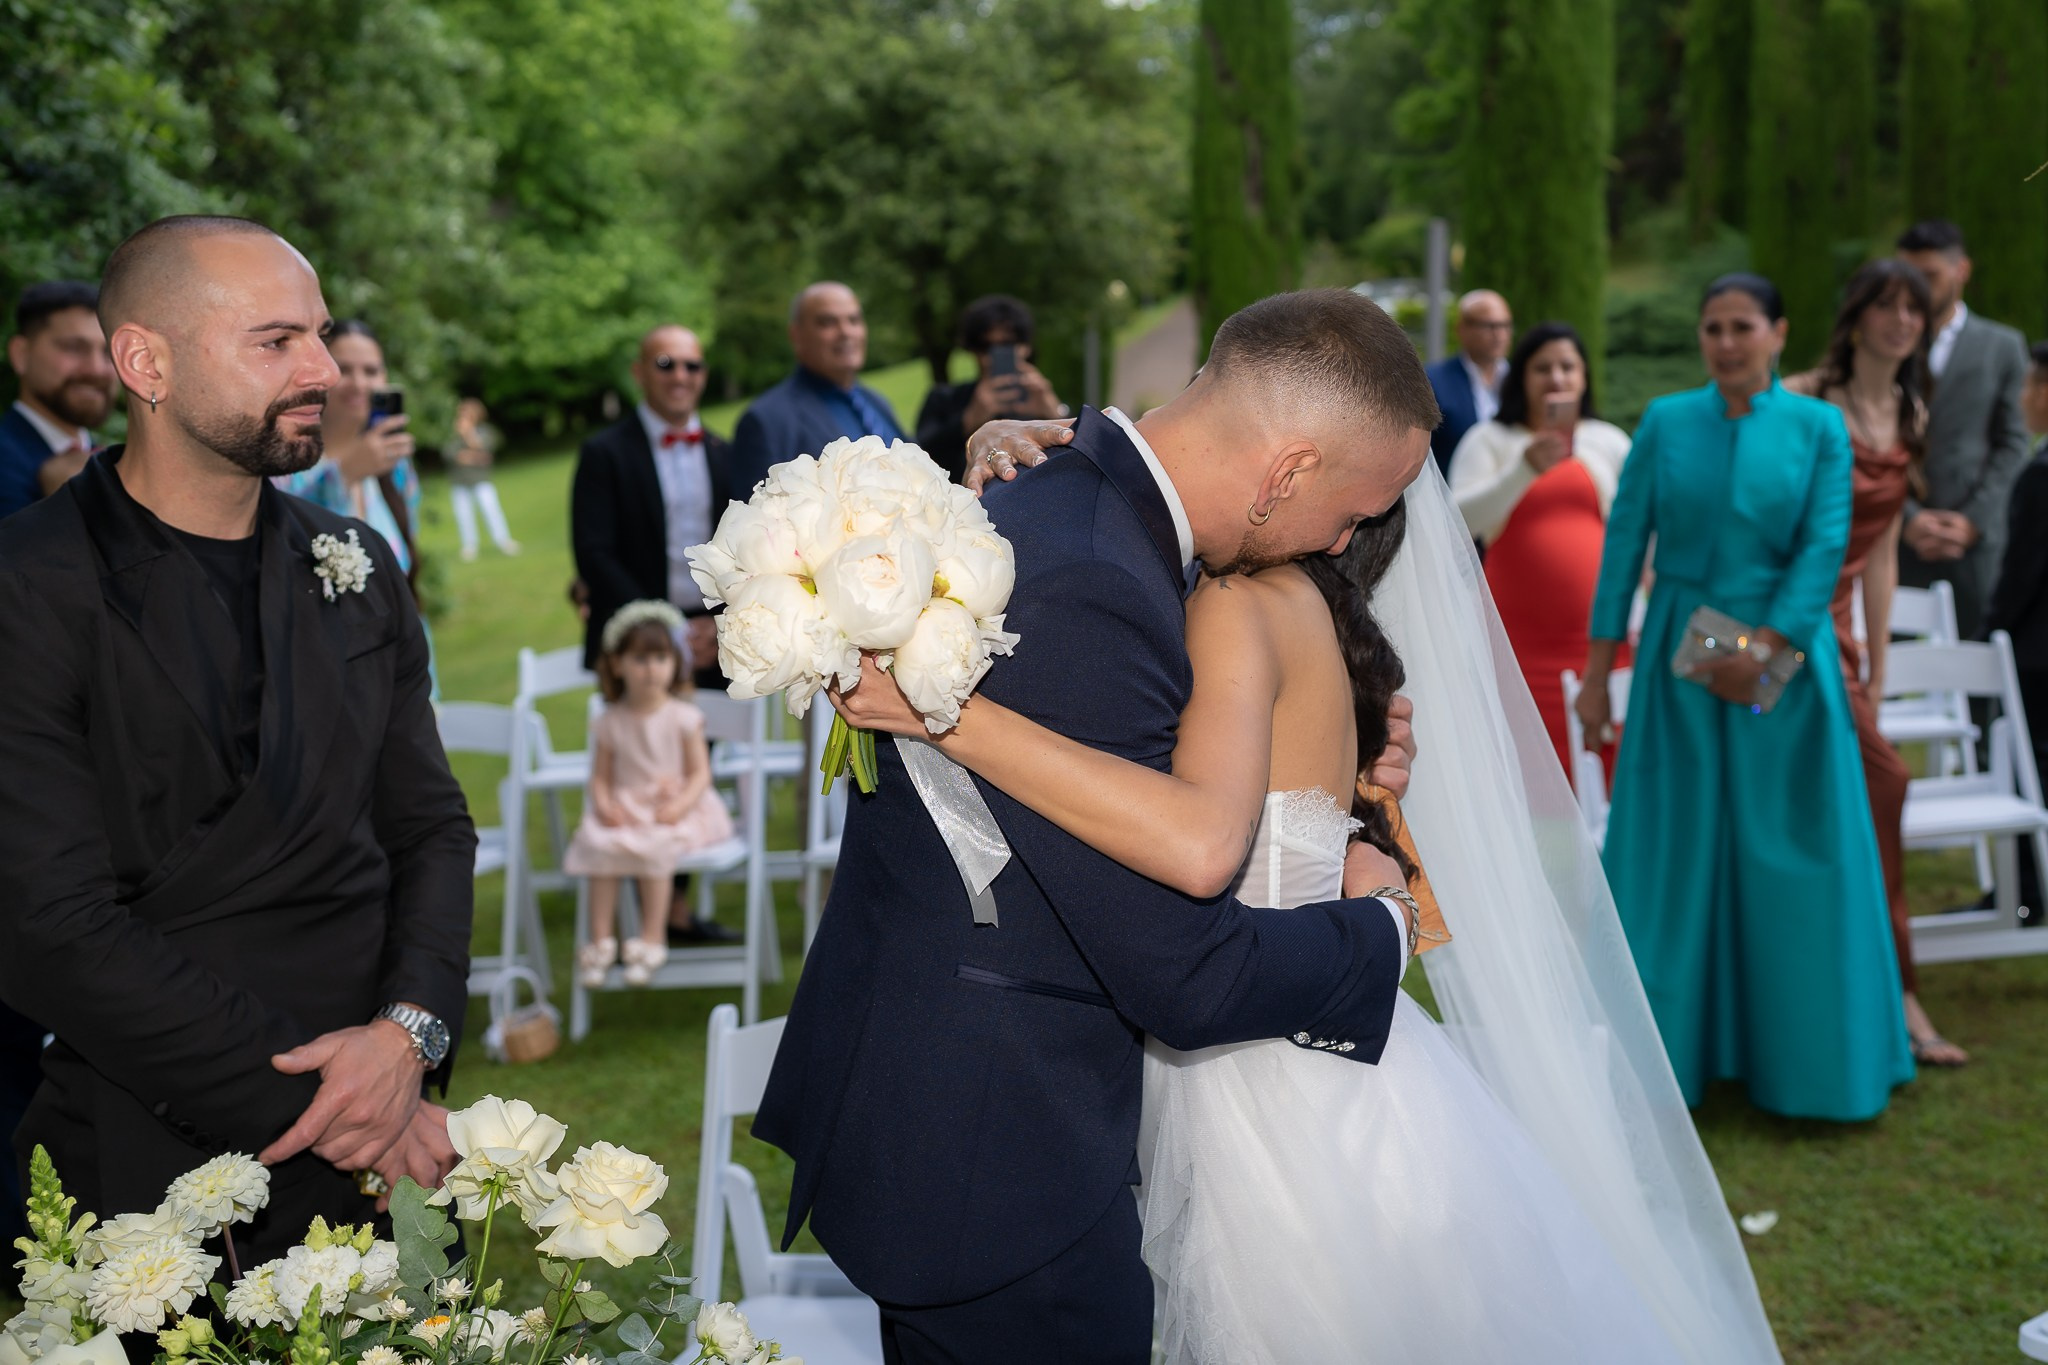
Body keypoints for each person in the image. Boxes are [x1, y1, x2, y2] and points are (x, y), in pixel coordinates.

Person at [832, 419, 1782, 1362]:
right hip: (1356, 1056)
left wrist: (940, 712)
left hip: (1248, 1065)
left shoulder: (1231, 608)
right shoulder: (1327, 631)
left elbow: (1194, 824)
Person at [0, 216, 472, 1261]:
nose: (322, 370)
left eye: (320, 333)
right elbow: (48, 924)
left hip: (384, 1143)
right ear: (145, 362)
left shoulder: (357, 561)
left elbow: (431, 828)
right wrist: (350, 1107)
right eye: (276, 341)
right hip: (153, 1158)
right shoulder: (29, 588)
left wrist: (409, 1036)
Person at [1576, 272, 1915, 1122]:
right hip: (1676, 659)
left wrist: (1766, 647)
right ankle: (1669, 1060)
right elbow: (1624, 544)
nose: (1725, 342)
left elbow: (1825, 542)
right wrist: (1593, 670)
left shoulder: (1820, 427)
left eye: (1741, 327)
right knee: (1675, 850)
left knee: (1791, 852)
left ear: (1778, 333)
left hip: (1787, 657)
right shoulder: (1664, 421)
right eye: (1712, 328)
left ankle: (1809, 1066)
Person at [1785, 259, 1966, 1068]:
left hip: (1840, 637)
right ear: (1856, 316)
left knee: (1874, 785)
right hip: (1770, 627)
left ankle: (1895, 993)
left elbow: (1886, 551)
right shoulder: (1800, 397)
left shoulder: (1912, 410)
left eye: (1914, 311)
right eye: (1885, 306)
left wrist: (1880, 660)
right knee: (1777, 795)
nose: (1900, 321)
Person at [1448, 321, 1633, 770]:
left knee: (1605, 755)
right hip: (1516, 640)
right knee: (1522, 759)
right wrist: (1522, 471)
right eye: (1542, 367)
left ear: (1584, 376)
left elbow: (1637, 530)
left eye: (1567, 366)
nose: (1556, 377)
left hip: (1598, 638)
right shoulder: (1489, 440)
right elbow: (1457, 521)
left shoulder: (1608, 442)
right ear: (1521, 378)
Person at [566, 601, 734, 989]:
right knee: (597, 841)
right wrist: (605, 803)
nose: (651, 669)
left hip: (675, 809)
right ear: (618, 664)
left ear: (675, 662)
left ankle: (652, 938)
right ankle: (601, 940)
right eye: (639, 659)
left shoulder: (683, 716)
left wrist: (680, 804)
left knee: (657, 846)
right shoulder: (610, 721)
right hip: (628, 805)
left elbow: (699, 774)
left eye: (660, 658)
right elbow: (600, 778)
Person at [570, 324, 736, 689]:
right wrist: (664, 625)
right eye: (665, 364)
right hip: (637, 640)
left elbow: (744, 546)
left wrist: (721, 623)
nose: (680, 376)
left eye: (692, 366)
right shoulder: (603, 453)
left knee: (710, 745)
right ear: (638, 371)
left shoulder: (724, 452)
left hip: (717, 639)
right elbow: (593, 553)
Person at [1894, 221, 2032, 641]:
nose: (1916, 288)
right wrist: (1907, 519)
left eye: (1929, 275)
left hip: (1972, 540)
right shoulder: (1886, 344)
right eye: (1908, 276)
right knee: (1882, 672)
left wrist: (1973, 521)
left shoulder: (2003, 346)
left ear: (1962, 271)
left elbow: (2014, 441)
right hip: (1897, 535)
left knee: (1981, 670)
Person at [729, 281, 904, 491]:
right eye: (827, 322)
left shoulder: (877, 403)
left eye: (854, 320)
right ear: (796, 335)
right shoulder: (766, 422)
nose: (846, 332)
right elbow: (754, 519)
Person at [1989, 340, 2048, 912]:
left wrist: (1991, 629)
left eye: (2029, 385)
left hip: (2034, 653)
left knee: (2028, 770)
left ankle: (2024, 893)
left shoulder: (2040, 476)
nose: (2024, 398)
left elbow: (2022, 572)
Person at [912, 295, 1063, 481]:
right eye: (984, 346)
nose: (994, 355)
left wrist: (1055, 414)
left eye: (1007, 344)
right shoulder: (944, 399)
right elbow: (918, 456)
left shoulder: (1037, 396)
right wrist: (967, 420)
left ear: (1026, 346)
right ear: (971, 349)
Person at [2, 281, 117, 520]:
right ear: (21, 354)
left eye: (108, 352)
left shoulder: (112, 463)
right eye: (74, 348)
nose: (96, 369)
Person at [1425, 288, 1513, 474]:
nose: (1499, 334)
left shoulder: (1520, 380)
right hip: (1453, 493)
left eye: (1505, 325)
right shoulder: (1434, 382)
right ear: (1462, 329)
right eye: (1489, 326)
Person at [445, 397, 519, 560]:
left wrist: (468, 435)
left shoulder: (485, 431)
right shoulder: (453, 435)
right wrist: (472, 455)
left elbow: (484, 453)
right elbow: (451, 454)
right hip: (460, 481)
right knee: (463, 515)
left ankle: (503, 541)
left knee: (491, 510)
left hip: (481, 480)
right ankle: (469, 546)